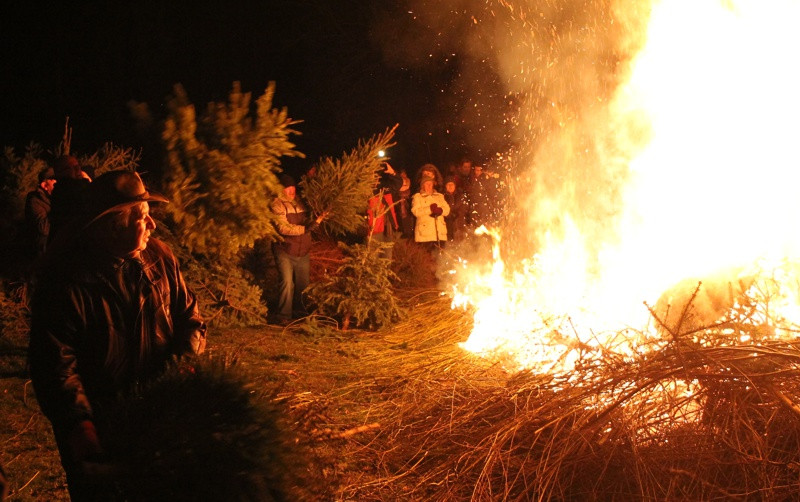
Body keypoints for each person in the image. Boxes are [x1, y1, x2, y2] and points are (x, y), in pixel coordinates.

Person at [28, 170, 207, 501]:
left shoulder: (160, 258)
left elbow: (190, 318)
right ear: (112, 224)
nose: (152, 225)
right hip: (101, 424)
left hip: (155, 415)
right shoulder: (67, 280)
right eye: (142, 216)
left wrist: (182, 366)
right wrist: (80, 426)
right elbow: (55, 362)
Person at [271, 174, 326, 325]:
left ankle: (300, 313)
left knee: (303, 283)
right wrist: (306, 228)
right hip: (285, 250)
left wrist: (317, 219)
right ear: (281, 190)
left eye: (293, 190)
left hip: (303, 250)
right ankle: (283, 316)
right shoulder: (277, 205)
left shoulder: (301, 203)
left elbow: (309, 221)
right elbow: (283, 228)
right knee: (287, 282)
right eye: (288, 190)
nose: (291, 193)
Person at [48, 154, 91, 244]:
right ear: (60, 172)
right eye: (70, 167)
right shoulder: (66, 192)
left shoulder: (82, 187)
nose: (77, 169)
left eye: (77, 166)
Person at [411, 173, 450, 251]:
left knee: (440, 259)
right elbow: (416, 211)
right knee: (427, 258)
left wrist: (441, 210)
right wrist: (429, 209)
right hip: (425, 235)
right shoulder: (418, 197)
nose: (429, 186)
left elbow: (447, 210)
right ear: (423, 185)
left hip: (440, 234)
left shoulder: (440, 196)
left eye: (430, 184)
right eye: (426, 184)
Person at [24, 166, 57, 258]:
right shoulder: (34, 200)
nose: (58, 184)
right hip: (42, 253)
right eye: (54, 181)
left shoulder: (54, 198)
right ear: (44, 185)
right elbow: (43, 228)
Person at [443, 177, 468, 242]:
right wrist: (449, 214)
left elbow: (465, 207)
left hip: (459, 223)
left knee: (460, 242)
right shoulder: (442, 197)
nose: (450, 186)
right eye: (448, 184)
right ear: (445, 186)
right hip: (447, 224)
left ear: (455, 186)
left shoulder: (460, 196)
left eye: (452, 184)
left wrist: (458, 213)